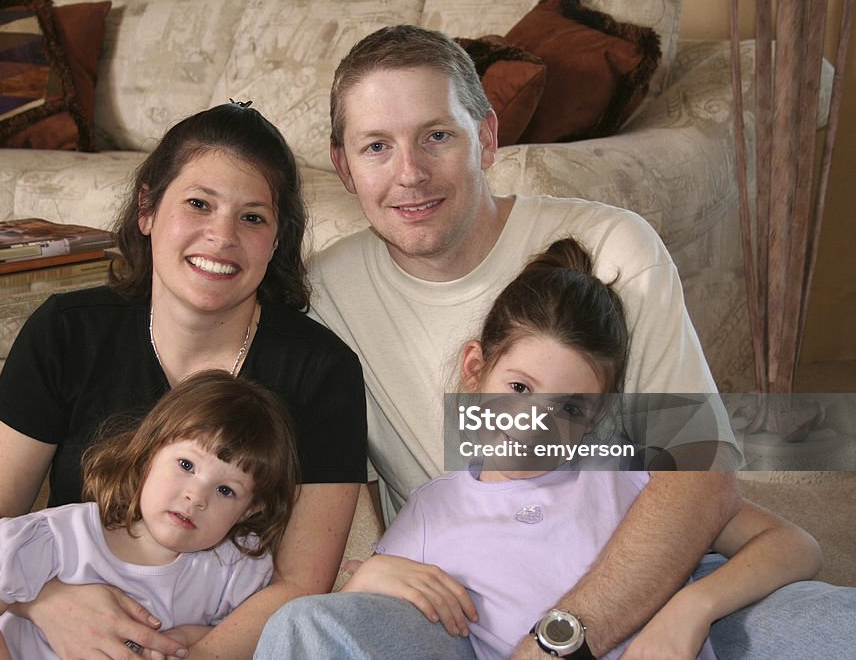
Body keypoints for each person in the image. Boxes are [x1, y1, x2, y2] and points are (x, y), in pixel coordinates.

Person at [256, 25, 853, 659]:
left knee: (831, 626)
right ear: (343, 165)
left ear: (485, 138)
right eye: (377, 146)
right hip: (465, 615)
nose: (410, 174)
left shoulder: (613, 246)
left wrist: (567, 638)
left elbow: (698, 476)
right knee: (308, 633)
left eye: (437, 136)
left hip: (648, 581)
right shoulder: (322, 295)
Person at [258, 238, 822, 660]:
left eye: (569, 408)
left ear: (597, 416)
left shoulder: (628, 474)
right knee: (301, 625)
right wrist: (370, 578)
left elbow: (793, 544)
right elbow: (370, 612)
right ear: (476, 370)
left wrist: (691, 609)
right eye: (520, 389)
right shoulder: (433, 509)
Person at [0, 102, 367, 660]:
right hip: (40, 630)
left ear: (277, 239)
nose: (221, 237)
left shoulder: (322, 372)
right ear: (147, 208)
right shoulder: (67, 331)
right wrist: (50, 603)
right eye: (198, 204)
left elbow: (299, 585)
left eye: (252, 217)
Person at [0, 370, 298, 659]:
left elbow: (254, 643)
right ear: (147, 456)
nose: (196, 496)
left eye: (226, 490)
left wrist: (190, 638)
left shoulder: (232, 572)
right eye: (186, 464)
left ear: (250, 509)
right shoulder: (58, 539)